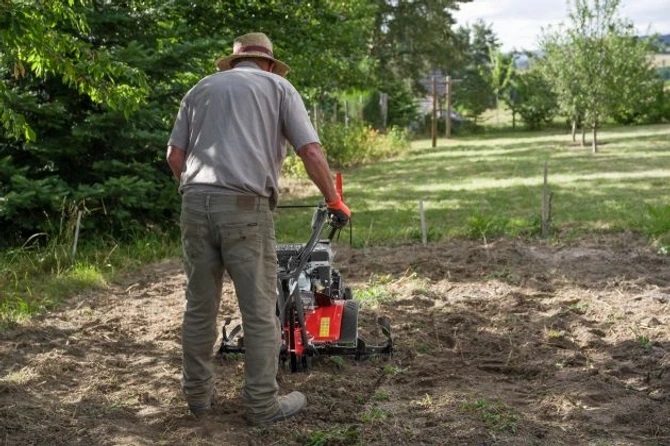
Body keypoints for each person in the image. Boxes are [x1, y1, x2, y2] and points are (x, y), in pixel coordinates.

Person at [166, 32, 350, 427]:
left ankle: (197, 400)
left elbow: (174, 156)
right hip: (246, 208)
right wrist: (334, 199)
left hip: (194, 204)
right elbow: (311, 151)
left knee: (199, 307)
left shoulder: (200, 89)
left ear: (235, 62)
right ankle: (262, 405)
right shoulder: (278, 88)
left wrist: (199, 191)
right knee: (261, 311)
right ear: (268, 62)